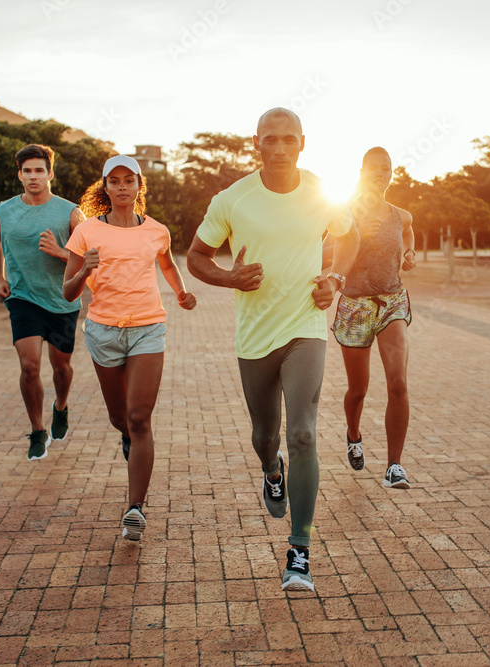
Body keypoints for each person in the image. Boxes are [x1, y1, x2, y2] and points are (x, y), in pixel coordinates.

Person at [186, 108, 359, 592]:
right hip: (255, 337)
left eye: (288, 139)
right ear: (256, 143)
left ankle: (299, 550)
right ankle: (271, 469)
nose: (280, 148)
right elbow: (196, 257)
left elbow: (351, 235)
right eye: (270, 140)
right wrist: (229, 277)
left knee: (303, 434)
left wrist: (336, 279)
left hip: (306, 328)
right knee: (266, 435)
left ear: (303, 142)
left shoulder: (321, 192)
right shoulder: (232, 199)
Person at [63, 155, 197, 541]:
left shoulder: (156, 231)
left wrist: (181, 292)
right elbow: (68, 290)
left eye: (129, 180)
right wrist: (85, 270)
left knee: (140, 418)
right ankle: (125, 435)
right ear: (105, 187)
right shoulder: (87, 232)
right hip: (103, 332)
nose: (122, 186)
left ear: (140, 186)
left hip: (147, 329)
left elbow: (168, 265)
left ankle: (134, 508)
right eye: (114, 180)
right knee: (120, 418)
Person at [0, 144, 85, 461]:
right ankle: (37, 430)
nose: (33, 176)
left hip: (62, 301)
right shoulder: (4, 210)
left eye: (39, 170)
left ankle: (61, 406)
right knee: (29, 367)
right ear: (19, 174)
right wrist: (0, 277)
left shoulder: (70, 212)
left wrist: (60, 252)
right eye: (27, 170)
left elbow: (91, 257)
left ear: (50, 174)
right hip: (23, 299)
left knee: (61, 368)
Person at [330, 147, 416, 489]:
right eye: (375, 168)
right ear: (362, 172)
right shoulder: (345, 213)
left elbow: (408, 233)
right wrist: (358, 235)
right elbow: (325, 251)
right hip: (355, 307)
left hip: (392, 301)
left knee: (398, 383)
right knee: (358, 389)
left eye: (387, 168)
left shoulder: (401, 215)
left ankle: (395, 465)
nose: (382, 173)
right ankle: (353, 434)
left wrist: (409, 252)